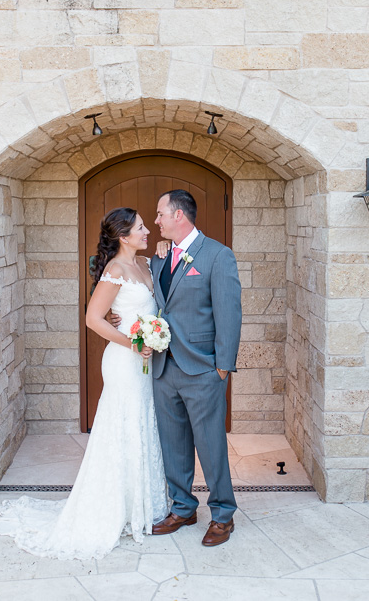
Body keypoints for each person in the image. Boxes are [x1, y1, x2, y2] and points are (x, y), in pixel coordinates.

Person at [0, 207, 168, 560]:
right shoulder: (115, 270)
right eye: (140, 227)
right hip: (124, 361)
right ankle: (114, 508)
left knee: (141, 425)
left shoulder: (148, 264)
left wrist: (166, 247)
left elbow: (155, 301)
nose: (147, 230)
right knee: (122, 427)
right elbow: (93, 319)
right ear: (123, 236)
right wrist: (134, 343)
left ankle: (142, 504)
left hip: (146, 360)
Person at [149, 189, 243, 547]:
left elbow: (229, 314)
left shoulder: (218, 256)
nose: (155, 221)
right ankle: (183, 507)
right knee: (173, 444)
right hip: (164, 368)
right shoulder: (159, 258)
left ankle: (222, 514)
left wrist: (222, 367)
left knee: (210, 445)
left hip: (203, 370)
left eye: (160, 214)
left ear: (179, 216)